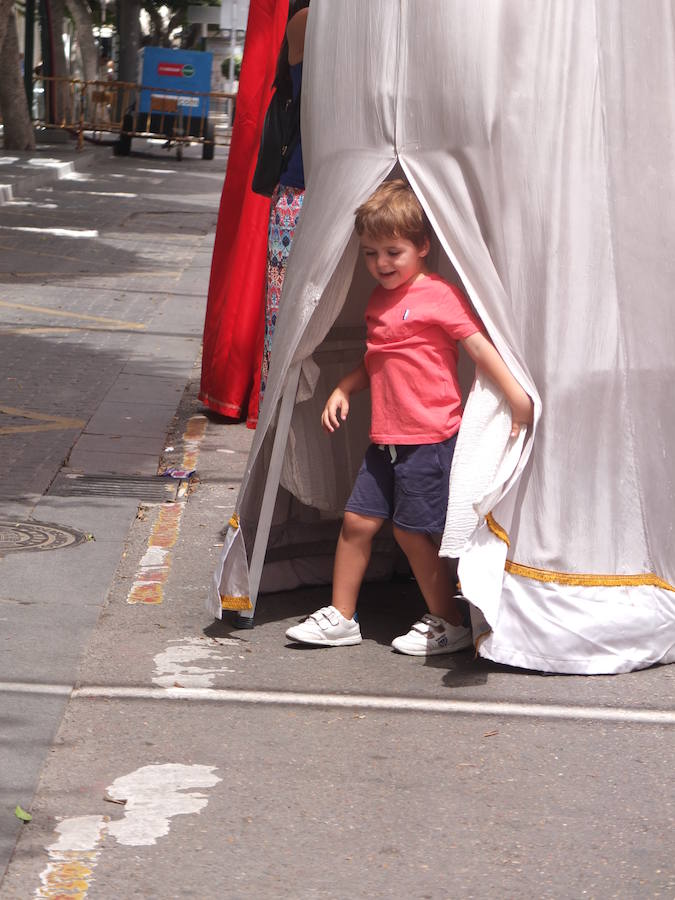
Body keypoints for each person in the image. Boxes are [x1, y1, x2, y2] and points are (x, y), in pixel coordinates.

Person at [285, 180, 534, 655]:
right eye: (370, 253)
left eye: (393, 252)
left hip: (430, 439)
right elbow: (376, 358)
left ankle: (450, 620)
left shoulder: (438, 295)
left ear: (422, 246)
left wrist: (515, 396)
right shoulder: (378, 301)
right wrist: (343, 387)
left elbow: (477, 345)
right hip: (386, 440)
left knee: (411, 532)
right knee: (357, 521)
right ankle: (341, 616)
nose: (381, 264)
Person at [258, 0, 310, 407]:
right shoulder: (307, 21)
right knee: (286, 323)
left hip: (334, 189)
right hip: (300, 195)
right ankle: (279, 434)